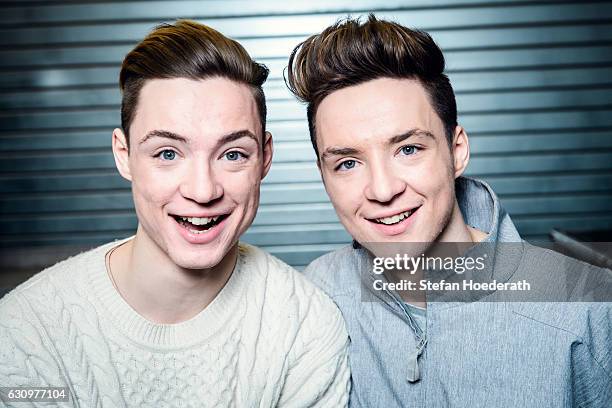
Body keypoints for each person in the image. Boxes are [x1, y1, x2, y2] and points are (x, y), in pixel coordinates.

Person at [0, 20, 349, 407]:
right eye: (168, 153)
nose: (202, 191)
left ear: (264, 158)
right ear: (124, 155)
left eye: (232, 154)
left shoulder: (305, 326)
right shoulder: (25, 333)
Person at [286, 14, 612, 407]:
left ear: (457, 151)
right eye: (348, 163)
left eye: (408, 149)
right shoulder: (316, 295)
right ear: (323, 175)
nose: (383, 189)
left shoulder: (586, 307)